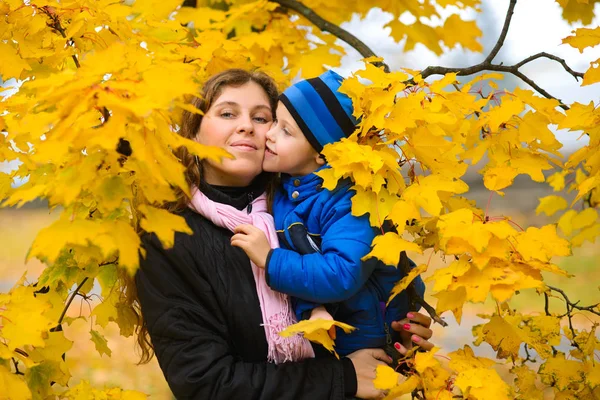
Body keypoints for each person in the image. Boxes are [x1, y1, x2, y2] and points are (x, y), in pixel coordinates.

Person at [134, 68, 432, 400]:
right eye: (228, 113)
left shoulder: (307, 208)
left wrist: (395, 334)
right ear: (194, 132)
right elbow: (203, 383)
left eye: (263, 118)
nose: (247, 125)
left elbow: (365, 285)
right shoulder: (167, 239)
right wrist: (342, 377)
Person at [231, 70, 431, 360]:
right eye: (274, 121)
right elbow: (305, 267)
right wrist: (312, 308)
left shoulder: (351, 201)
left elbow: (343, 272)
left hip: (371, 343)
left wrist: (271, 261)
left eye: (286, 131)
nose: (269, 135)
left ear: (323, 155)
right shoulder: (286, 193)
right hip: (334, 346)